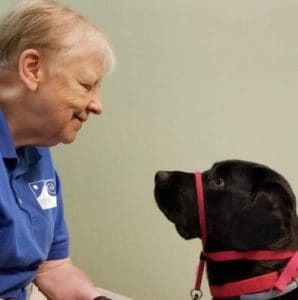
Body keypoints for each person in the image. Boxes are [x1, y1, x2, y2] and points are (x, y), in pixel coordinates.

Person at [0, 0, 116, 299]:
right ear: (32, 68)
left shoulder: (37, 152)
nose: (97, 105)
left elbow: (53, 268)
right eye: (85, 84)